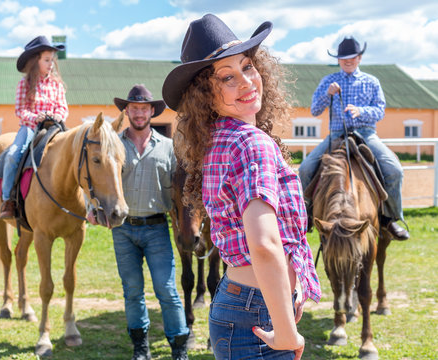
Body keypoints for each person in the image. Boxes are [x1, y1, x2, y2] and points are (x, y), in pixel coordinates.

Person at [162, 14, 321, 360]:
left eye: (248, 67)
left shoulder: (219, 139)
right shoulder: (252, 144)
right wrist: (285, 330)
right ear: (205, 94)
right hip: (258, 311)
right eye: (227, 77)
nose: (247, 82)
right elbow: (263, 244)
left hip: (242, 303)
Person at [298, 36, 409, 240]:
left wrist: (361, 111)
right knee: (305, 168)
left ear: (359, 58)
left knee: (395, 170)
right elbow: (315, 110)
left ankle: (389, 218)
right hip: (336, 136)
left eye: (352, 57)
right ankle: (305, 216)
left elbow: (380, 111)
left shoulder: (371, 81)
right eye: (343, 58)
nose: (347, 61)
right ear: (338, 60)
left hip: (366, 135)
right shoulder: (328, 81)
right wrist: (327, 95)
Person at [111, 84, 189, 359]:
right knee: (132, 291)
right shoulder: (115, 145)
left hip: (157, 228)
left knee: (166, 289)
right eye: (134, 108)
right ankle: (140, 348)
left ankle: (179, 348)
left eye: (144, 108)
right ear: (127, 111)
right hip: (123, 230)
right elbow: (101, 181)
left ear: (152, 111)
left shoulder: (168, 147)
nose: (139, 113)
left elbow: (179, 190)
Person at [0, 36, 68, 219]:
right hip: (31, 127)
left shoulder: (57, 85)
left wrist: (58, 116)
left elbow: (62, 107)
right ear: (35, 61)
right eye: (46, 60)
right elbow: (20, 110)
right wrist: (35, 117)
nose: (51, 64)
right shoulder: (25, 84)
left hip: (55, 126)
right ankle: (8, 200)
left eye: (52, 60)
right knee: (14, 154)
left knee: (76, 153)